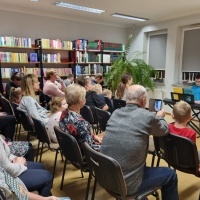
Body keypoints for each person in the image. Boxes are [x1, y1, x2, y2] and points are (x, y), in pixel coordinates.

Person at [101, 84, 179, 200]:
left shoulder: (116, 113)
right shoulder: (147, 116)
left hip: (107, 178)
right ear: (143, 100)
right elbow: (164, 130)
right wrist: (160, 117)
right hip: (128, 184)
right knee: (170, 175)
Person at [59, 84, 102, 151]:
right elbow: (90, 149)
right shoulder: (81, 122)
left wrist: (93, 136)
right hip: (84, 154)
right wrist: (106, 148)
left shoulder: (64, 113)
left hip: (71, 151)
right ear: (80, 101)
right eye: (84, 97)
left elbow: (81, 134)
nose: (85, 99)